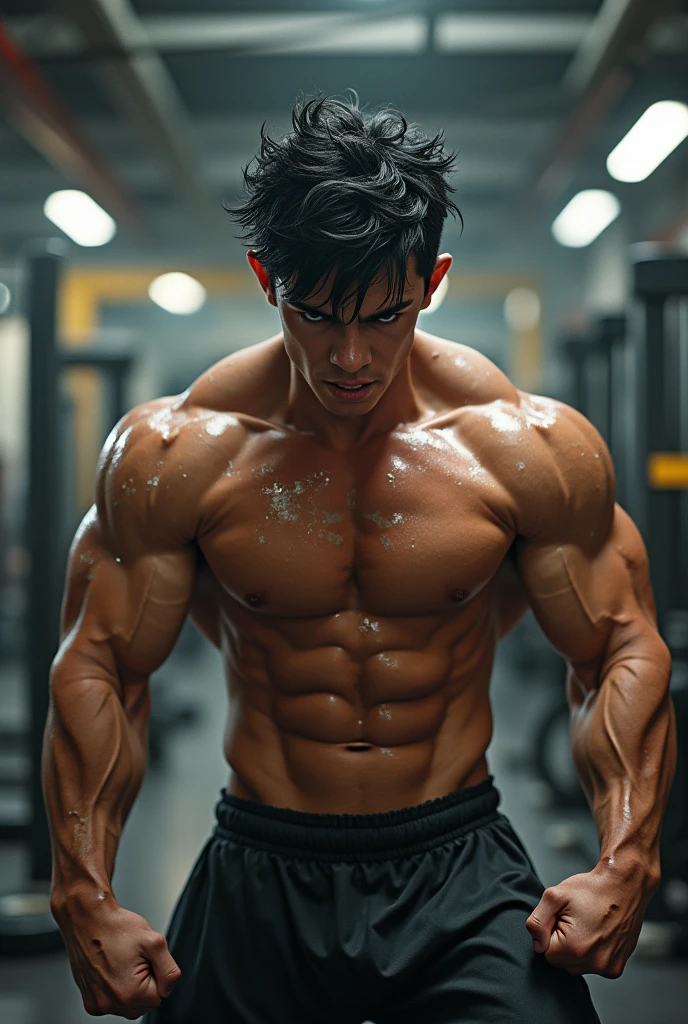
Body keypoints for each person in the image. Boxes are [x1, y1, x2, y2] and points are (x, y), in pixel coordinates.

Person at [44, 94, 675, 1023]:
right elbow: (99, 663)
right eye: (317, 314)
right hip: (262, 855)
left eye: (385, 317)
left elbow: (620, 643)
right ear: (267, 278)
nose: (350, 357)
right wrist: (82, 890)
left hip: (457, 860)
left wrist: (628, 859)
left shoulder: (522, 448)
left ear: (434, 279)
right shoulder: (179, 456)